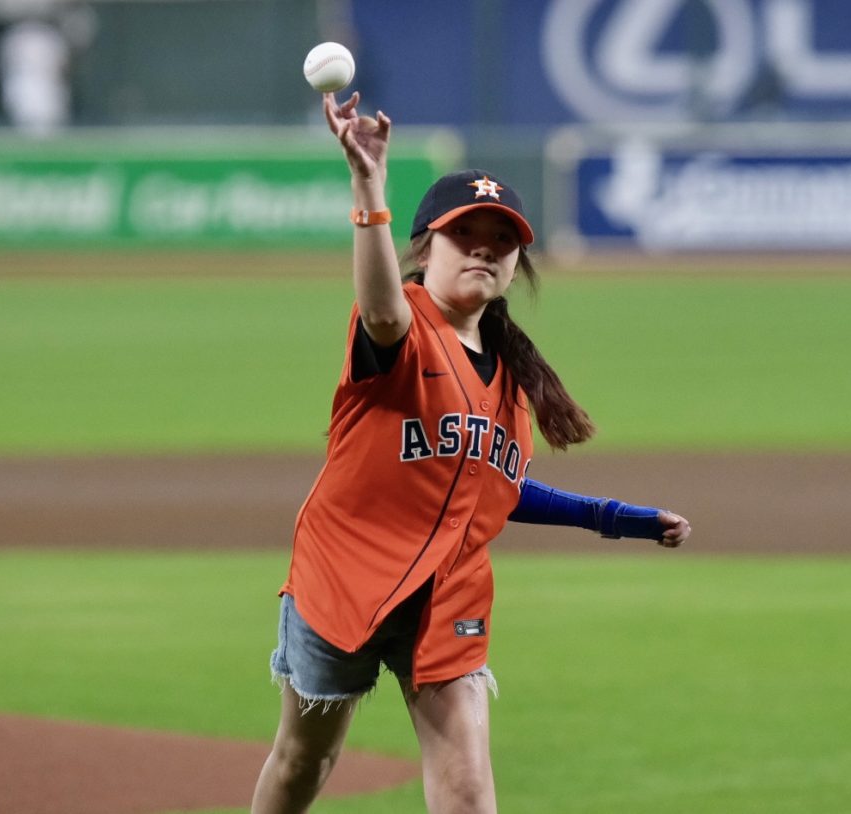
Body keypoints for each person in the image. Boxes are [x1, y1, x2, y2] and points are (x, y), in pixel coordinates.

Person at [250, 90, 691, 814]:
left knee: (467, 788)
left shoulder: (510, 374)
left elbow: (498, 488)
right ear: (427, 247)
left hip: (447, 592)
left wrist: (618, 518)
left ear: (518, 261)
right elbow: (384, 305)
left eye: (502, 238)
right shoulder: (402, 330)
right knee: (304, 761)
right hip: (343, 581)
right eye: (466, 234)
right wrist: (368, 188)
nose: (484, 247)